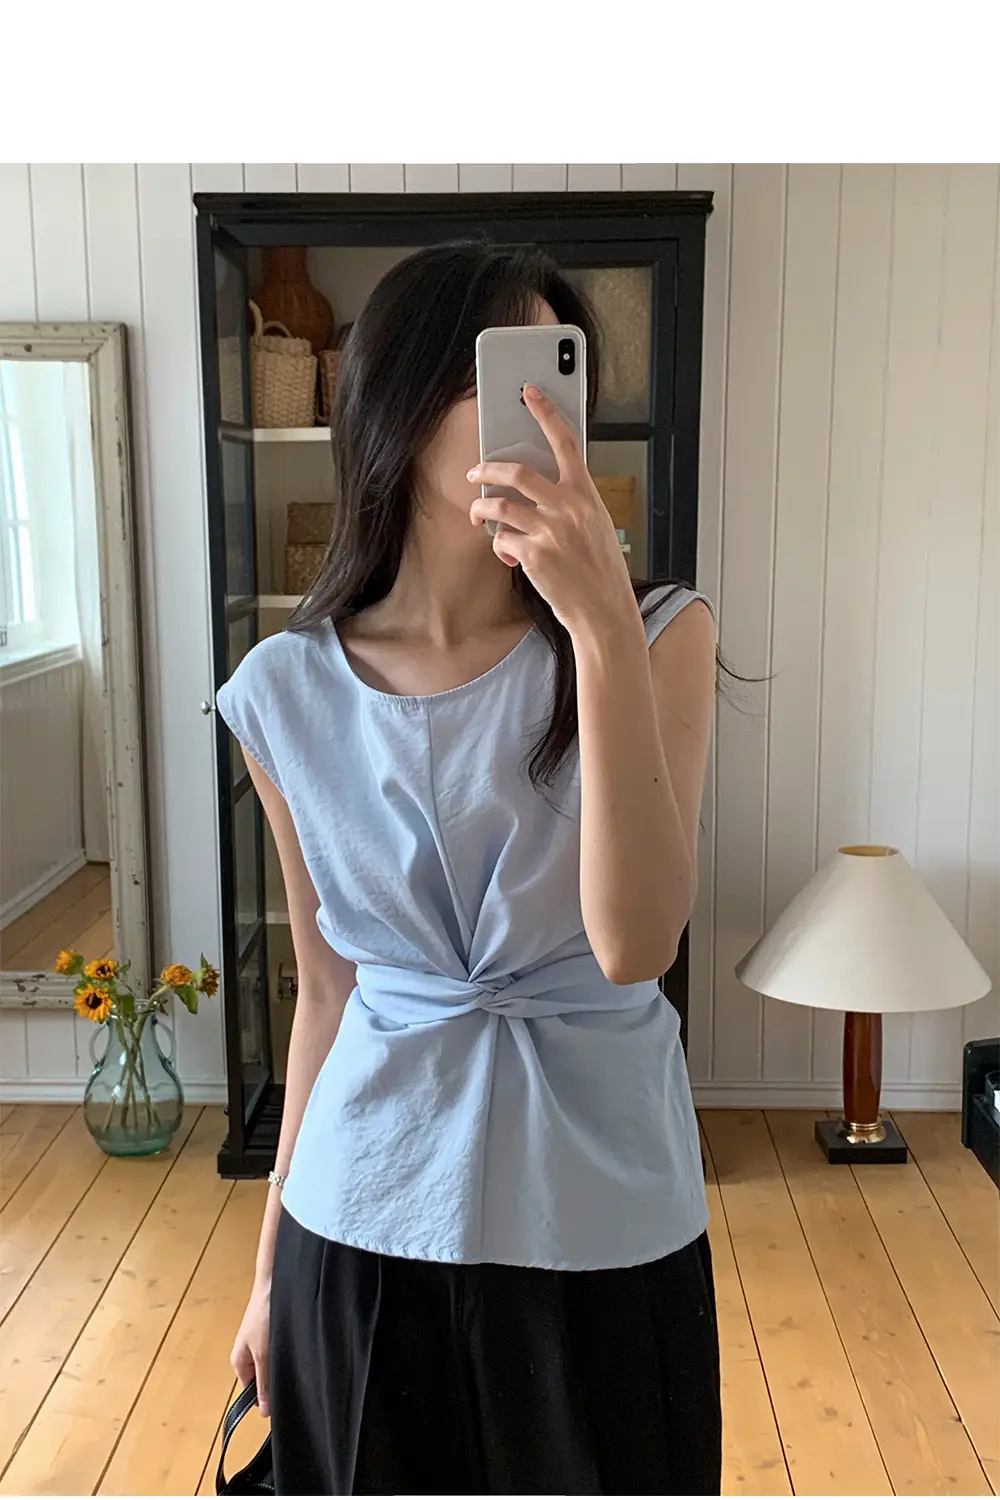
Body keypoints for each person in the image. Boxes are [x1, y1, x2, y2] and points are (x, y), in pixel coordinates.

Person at [218, 242, 721, 1496]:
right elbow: (324, 992)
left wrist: (596, 624)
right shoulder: (284, 690)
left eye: (559, 377)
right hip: (360, 1219)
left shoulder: (658, 634)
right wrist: (270, 1269)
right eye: (499, 378)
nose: (539, 415)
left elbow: (637, 946)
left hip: (603, 1217)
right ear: (393, 403)